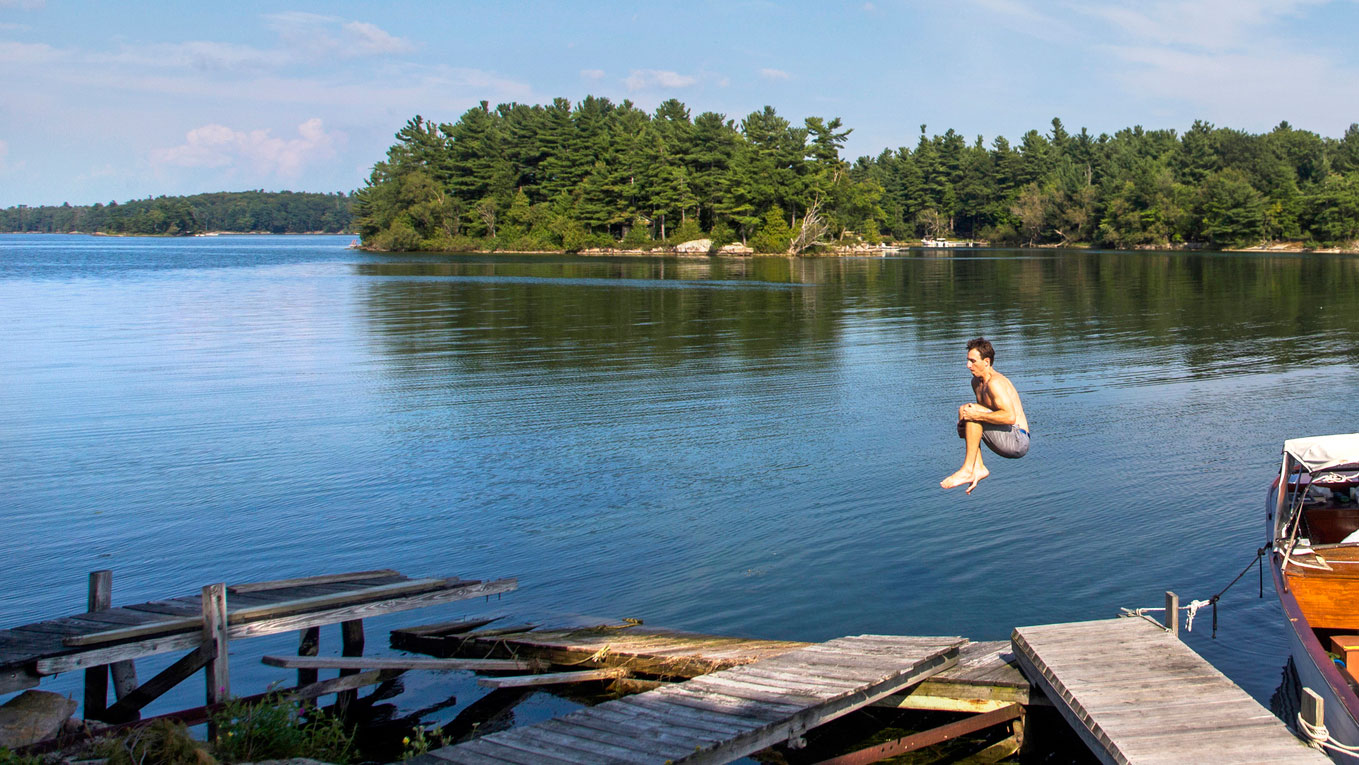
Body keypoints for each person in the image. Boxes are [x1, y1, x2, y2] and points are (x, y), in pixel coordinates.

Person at [940, 337, 1029, 494]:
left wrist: (974, 417)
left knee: (973, 414)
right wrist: (964, 426)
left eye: (973, 361)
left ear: (986, 362)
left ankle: (968, 469)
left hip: (1017, 440)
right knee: (965, 410)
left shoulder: (995, 384)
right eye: (968, 360)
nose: (968, 365)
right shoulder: (976, 383)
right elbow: (982, 415)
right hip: (1004, 434)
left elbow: (1009, 417)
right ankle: (978, 467)